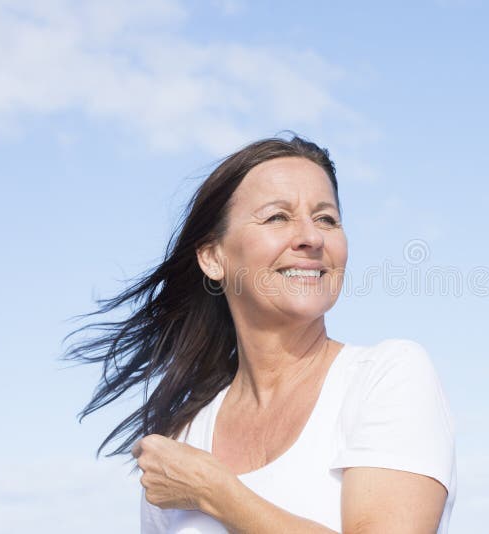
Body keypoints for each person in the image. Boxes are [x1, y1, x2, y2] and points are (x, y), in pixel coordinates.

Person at [63, 134, 456, 533]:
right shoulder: (182, 444)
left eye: (326, 219)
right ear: (213, 257)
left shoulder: (386, 377)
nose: (312, 237)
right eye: (277, 217)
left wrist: (216, 493)